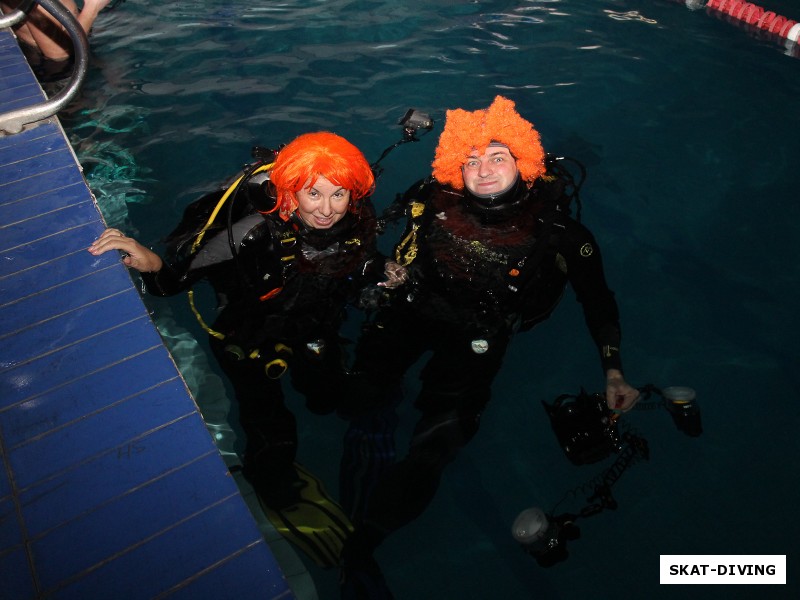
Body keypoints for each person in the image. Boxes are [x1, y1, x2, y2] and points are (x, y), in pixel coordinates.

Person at [337, 96, 640, 596]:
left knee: (435, 448)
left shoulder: (561, 232)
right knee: (358, 397)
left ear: (524, 162)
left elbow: (598, 301)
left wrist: (613, 370)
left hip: (479, 336)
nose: (482, 168)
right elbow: (370, 232)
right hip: (412, 309)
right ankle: (373, 416)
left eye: (498, 156)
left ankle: (367, 539)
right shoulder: (431, 196)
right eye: (471, 159)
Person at [88, 131, 382, 569]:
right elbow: (173, 283)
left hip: (313, 328)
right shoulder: (248, 232)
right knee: (274, 432)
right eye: (313, 193)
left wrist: (380, 277)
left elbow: (353, 271)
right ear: (289, 190)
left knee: (327, 399)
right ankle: (272, 481)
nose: (326, 208)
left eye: (338, 194)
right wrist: (148, 261)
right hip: (246, 338)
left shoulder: (357, 219)